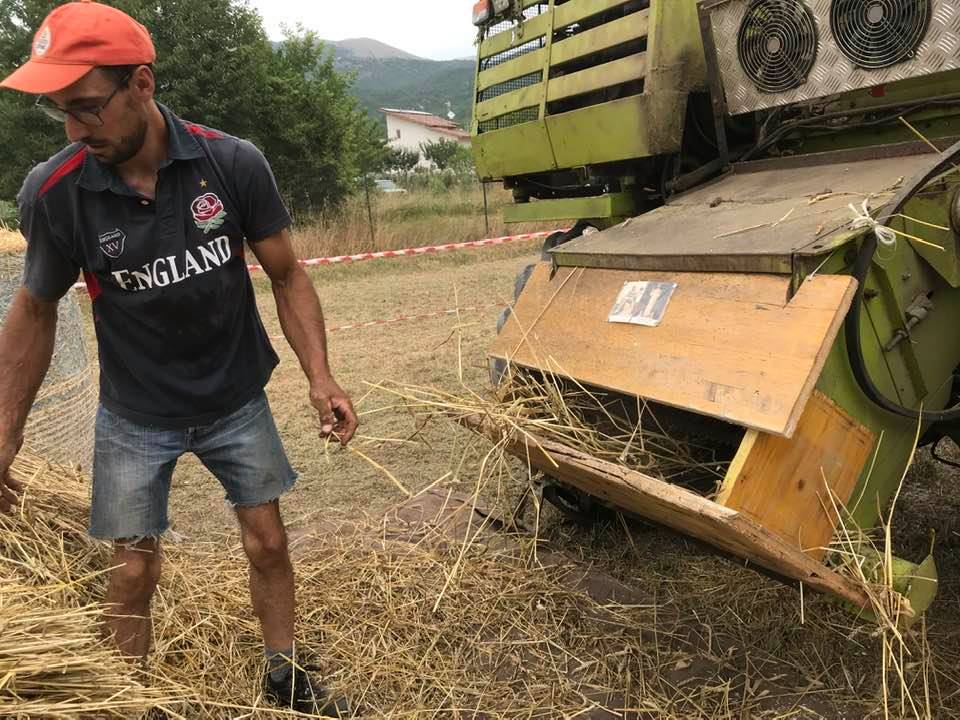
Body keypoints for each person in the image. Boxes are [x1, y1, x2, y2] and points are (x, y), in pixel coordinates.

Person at [0, 1, 356, 715]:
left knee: (267, 542)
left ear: (142, 83)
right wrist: (3, 440)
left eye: (88, 107)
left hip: (235, 399)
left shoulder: (232, 162)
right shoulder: (55, 192)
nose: (75, 130)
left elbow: (288, 274)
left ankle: (284, 675)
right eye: (60, 112)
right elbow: (35, 311)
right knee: (132, 570)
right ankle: (125, 701)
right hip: (133, 415)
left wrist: (321, 378)